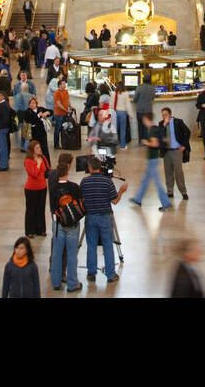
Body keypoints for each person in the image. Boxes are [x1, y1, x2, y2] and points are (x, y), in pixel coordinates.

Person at [80, 155, 125, 284]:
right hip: (105, 217)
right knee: (107, 246)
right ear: (100, 167)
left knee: (91, 245)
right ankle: (110, 274)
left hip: (90, 217)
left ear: (89, 168)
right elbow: (115, 201)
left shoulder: (84, 182)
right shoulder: (107, 182)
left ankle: (91, 273)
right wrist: (121, 191)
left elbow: (81, 199)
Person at [49, 153, 84, 292]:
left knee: (57, 254)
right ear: (67, 171)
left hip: (58, 225)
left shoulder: (53, 188)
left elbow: (53, 207)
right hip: (72, 226)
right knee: (71, 255)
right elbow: (81, 205)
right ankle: (72, 283)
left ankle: (56, 282)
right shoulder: (74, 187)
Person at [129, 114, 172, 211]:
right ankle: (138, 199)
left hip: (153, 160)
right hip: (152, 159)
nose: (143, 121)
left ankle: (166, 203)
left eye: (144, 119)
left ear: (146, 119)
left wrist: (146, 142)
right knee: (145, 180)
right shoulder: (153, 129)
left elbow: (155, 144)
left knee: (157, 182)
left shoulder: (152, 130)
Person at [159, 107, 190, 202]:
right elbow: (159, 136)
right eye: (163, 115)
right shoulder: (161, 124)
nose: (164, 117)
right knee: (168, 172)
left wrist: (184, 145)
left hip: (177, 150)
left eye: (166, 115)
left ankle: (183, 192)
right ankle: (170, 191)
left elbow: (187, 132)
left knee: (178, 172)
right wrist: (164, 125)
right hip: (166, 151)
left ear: (170, 114)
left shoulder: (178, 122)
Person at [23, 140, 50, 237]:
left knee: (41, 209)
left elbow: (47, 169)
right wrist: (38, 164)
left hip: (42, 187)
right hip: (31, 189)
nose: (39, 150)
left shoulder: (43, 158)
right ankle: (30, 230)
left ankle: (41, 229)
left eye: (39, 147)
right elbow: (34, 174)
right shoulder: (28, 161)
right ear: (32, 150)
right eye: (37, 148)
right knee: (31, 210)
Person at [0, 90, 16, 172]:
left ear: (3, 97)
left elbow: (4, 119)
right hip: (3, 128)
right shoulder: (3, 105)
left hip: (3, 129)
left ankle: (3, 165)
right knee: (3, 147)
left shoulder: (3, 106)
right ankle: (4, 163)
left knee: (3, 148)